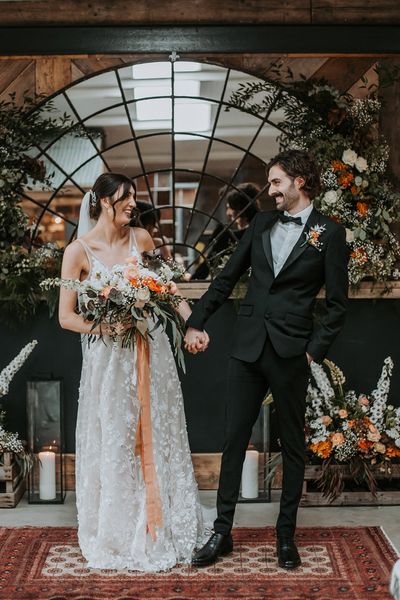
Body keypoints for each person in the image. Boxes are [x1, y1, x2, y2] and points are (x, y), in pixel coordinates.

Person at [184, 150, 348, 569]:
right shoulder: (259, 224)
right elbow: (226, 279)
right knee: (233, 441)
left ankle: (286, 536)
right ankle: (221, 533)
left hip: (293, 351)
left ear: (300, 182)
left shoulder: (329, 233)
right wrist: (195, 321)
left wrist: (314, 351)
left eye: (277, 182)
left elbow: (337, 306)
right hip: (247, 346)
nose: (271, 190)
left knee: (293, 447)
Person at [59, 172, 204, 571]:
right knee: (119, 436)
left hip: (152, 352)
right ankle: (122, 528)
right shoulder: (78, 252)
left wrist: (193, 324)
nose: (132, 204)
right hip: (108, 360)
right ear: (104, 202)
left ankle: (163, 523)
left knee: (159, 429)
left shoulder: (142, 240)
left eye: (134, 198)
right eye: (125, 198)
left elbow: (169, 289)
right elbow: (65, 317)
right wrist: (105, 326)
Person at [191, 182, 260, 280]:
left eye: (229, 207)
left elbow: (209, 263)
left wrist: (192, 279)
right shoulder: (261, 229)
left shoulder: (227, 235)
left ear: (239, 209)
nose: (227, 212)